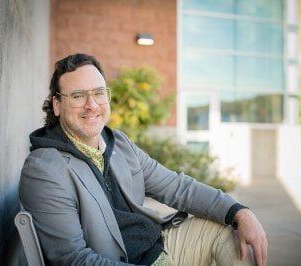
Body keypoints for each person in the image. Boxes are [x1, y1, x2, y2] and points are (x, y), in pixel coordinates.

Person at [19, 53, 268, 266]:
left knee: (232, 234)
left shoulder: (118, 143)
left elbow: (176, 186)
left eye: (99, 93)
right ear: (57, 105)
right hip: (120, 260)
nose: (92, 105)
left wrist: (240, 212)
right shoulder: (45, 169)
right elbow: (74, 260)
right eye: (78, 96)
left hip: (159, 248)